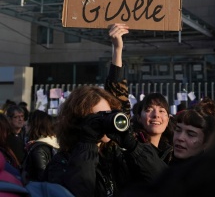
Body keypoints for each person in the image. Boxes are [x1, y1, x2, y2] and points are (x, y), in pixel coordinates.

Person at [44, 24, 169, 197]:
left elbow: (165, 181)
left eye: (108, 114)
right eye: (98, 117)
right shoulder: (62, 162)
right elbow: (79, 191)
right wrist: (88, 144)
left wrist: (132, 146)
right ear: (79, 120)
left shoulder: (118, 155)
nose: (105, 120)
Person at [131, 93, 174, 164]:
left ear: (168, 119)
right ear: (139, 118)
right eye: (149, 110)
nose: (156, 115)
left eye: (161, 111)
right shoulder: (132, 149)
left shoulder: (172, 152)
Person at [21, 109, 59, 182]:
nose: (25, 124)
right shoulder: (50, 142)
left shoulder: (39, 149)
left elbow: (42, 176)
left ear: (35, 126)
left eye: (29, 122)